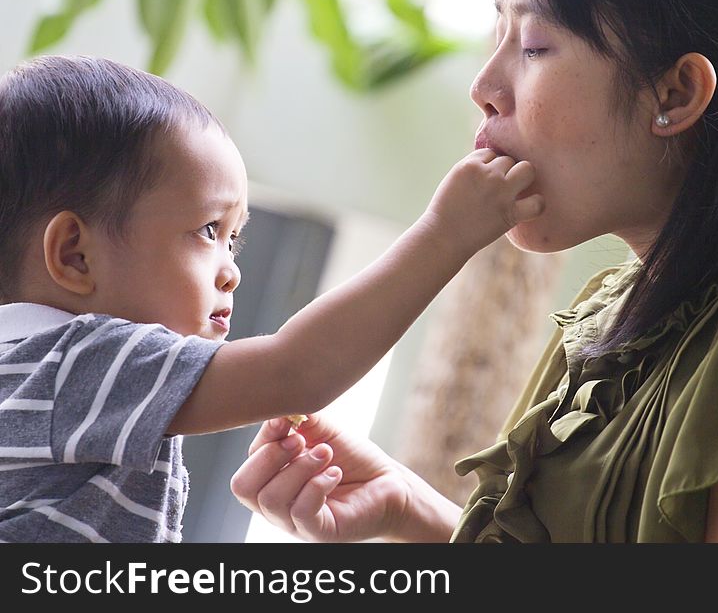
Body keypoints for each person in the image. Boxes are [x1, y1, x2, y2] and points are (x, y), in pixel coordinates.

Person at [231, 0, 718, 543]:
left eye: (536, 45)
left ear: (676, 93)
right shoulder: (618, 303)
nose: (484, 84)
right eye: (500, 35)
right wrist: (409, 511)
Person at [0, 54, 544, 543]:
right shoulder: (75, 361)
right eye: (208, 230)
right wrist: (447, 232)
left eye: (233, 240)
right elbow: (298, 369)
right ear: (75, 255)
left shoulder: (34, 374)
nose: (231, 271)